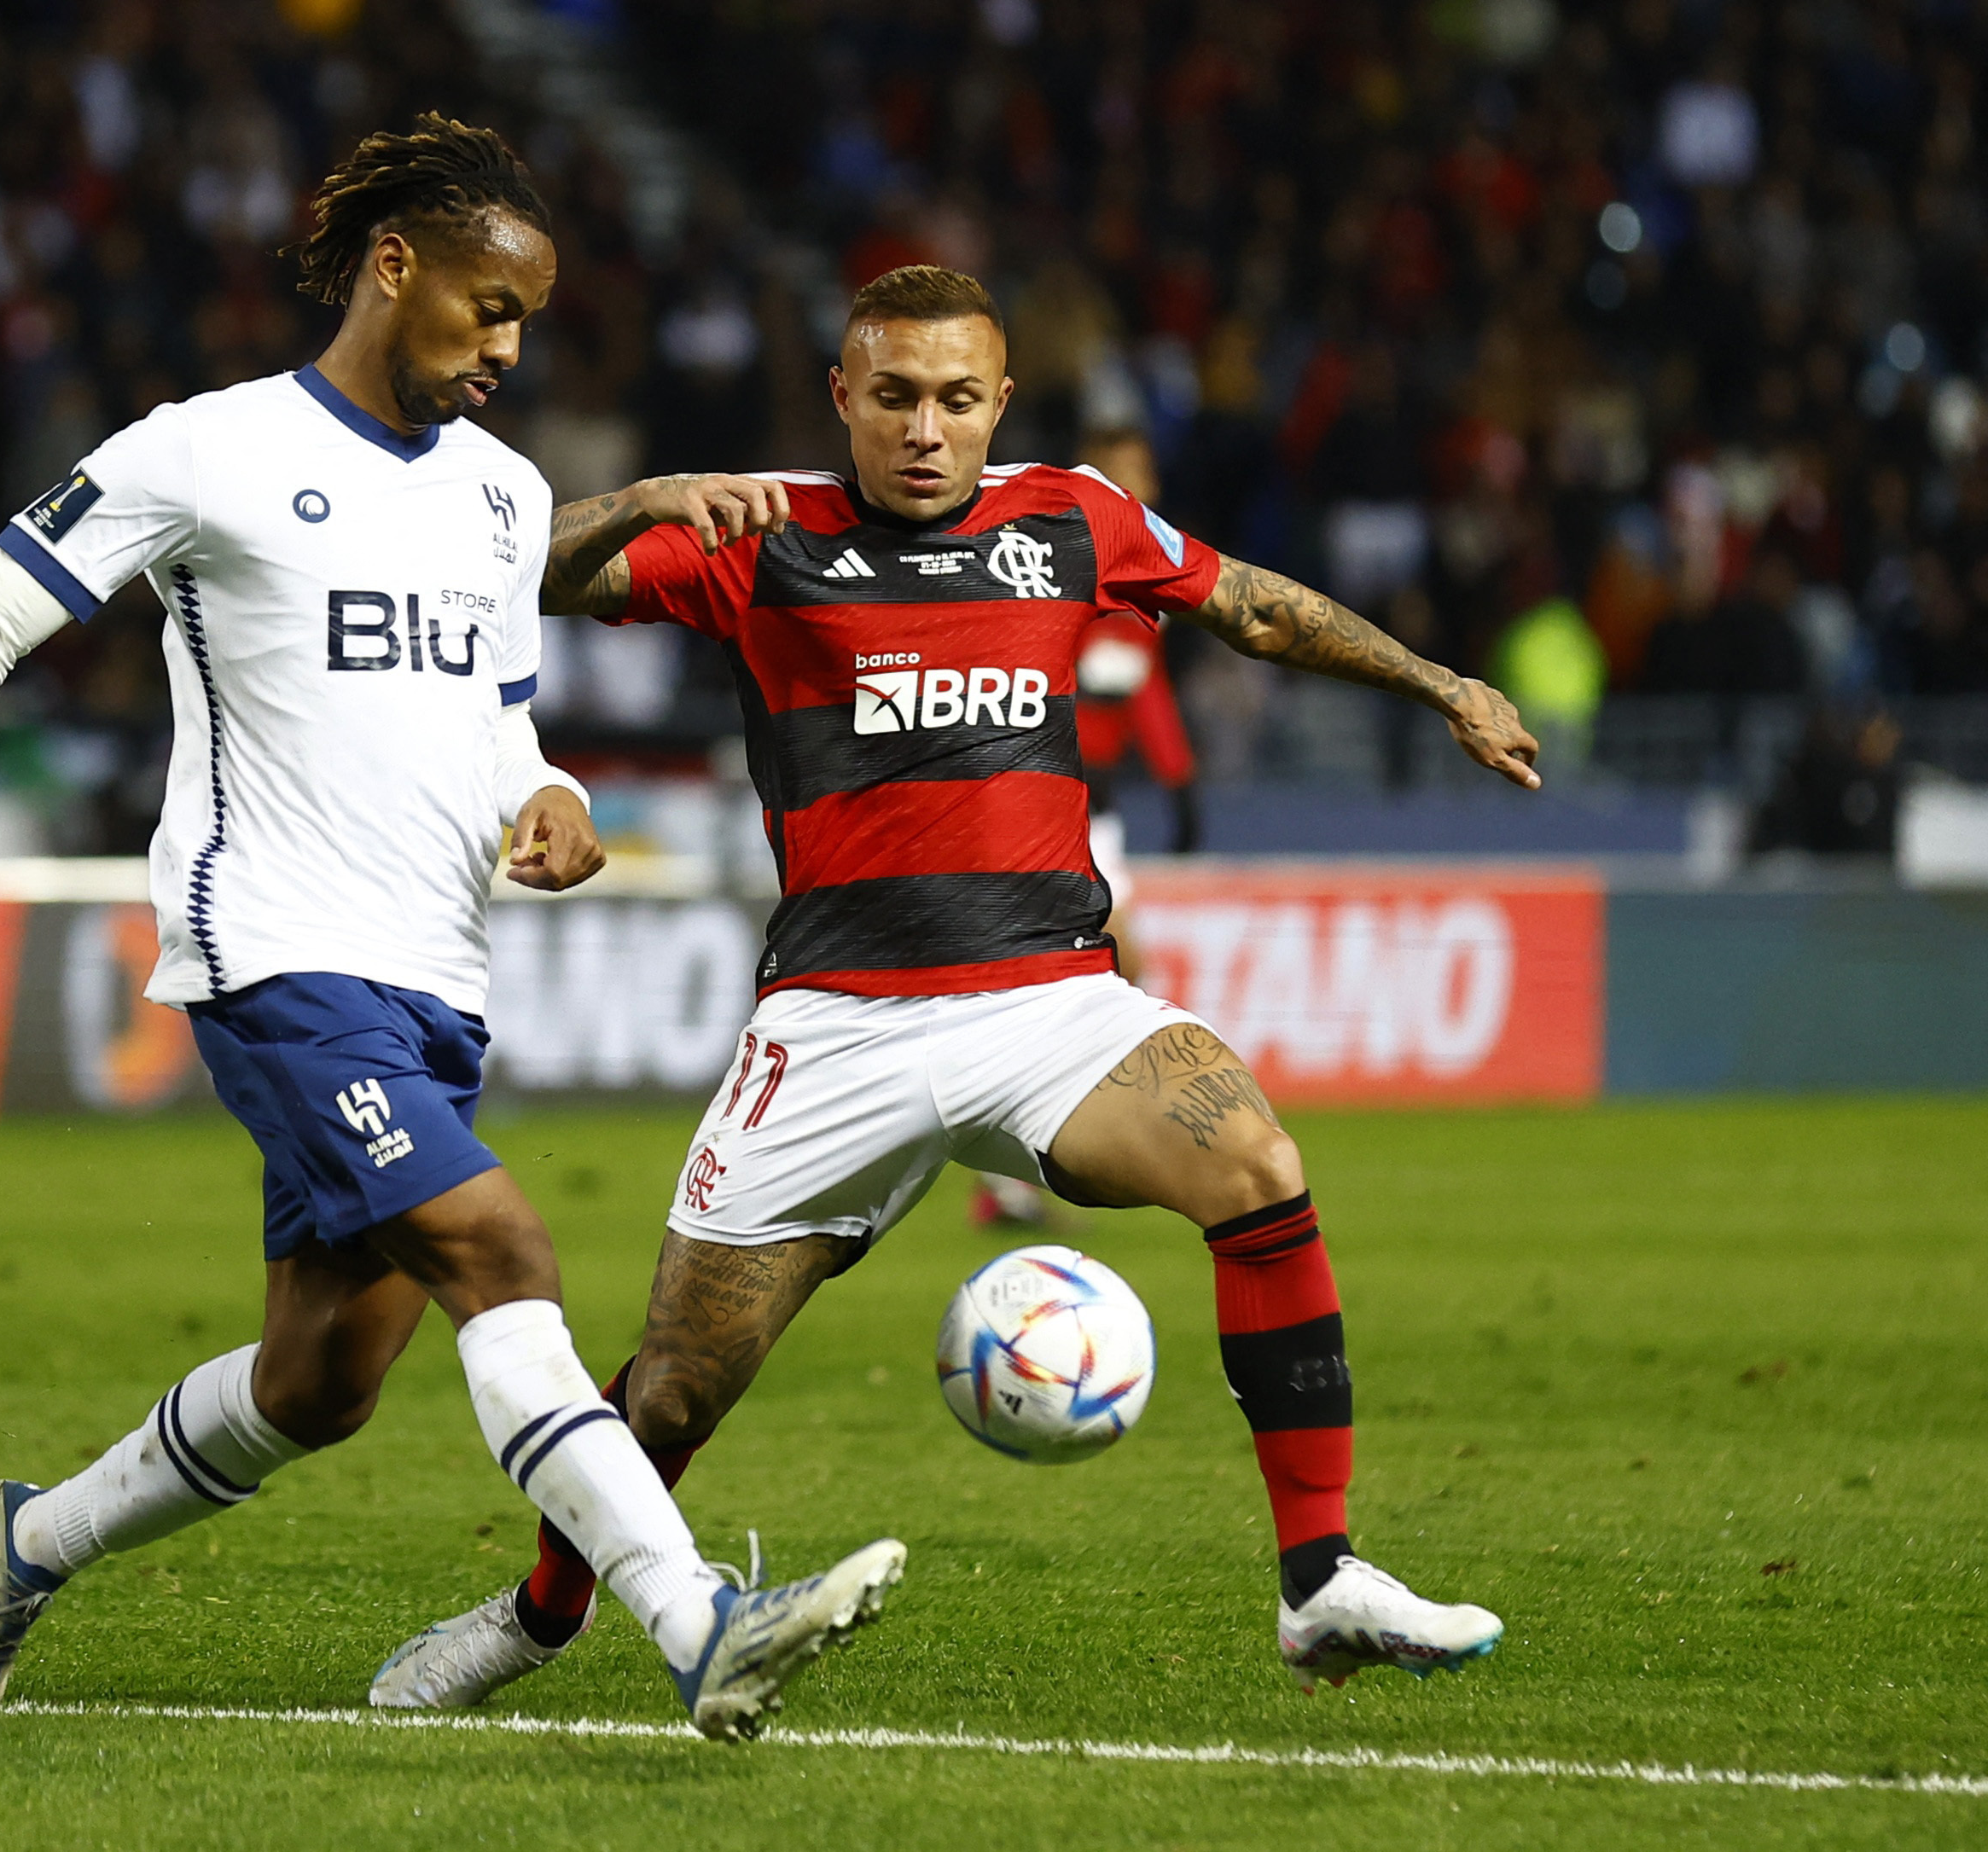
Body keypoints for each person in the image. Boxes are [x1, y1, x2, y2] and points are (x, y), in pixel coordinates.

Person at [0, 116, 904, 1747]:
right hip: (276, 949)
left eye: (527, 318)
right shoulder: (208, 448)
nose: (508, 347)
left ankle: (28, 1542)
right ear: (395, 268)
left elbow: (493, 714)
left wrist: (551, 794)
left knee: (316, 1384)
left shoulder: (502, 497)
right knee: (504, 1254)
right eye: (487, 307)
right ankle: (698, 1622)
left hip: (433, 977)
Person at [370, 266, 1536, 1710]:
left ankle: (1320, 1580)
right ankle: (539, 1619)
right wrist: (649, 498)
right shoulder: (763, 531)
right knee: (672, 1389)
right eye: (898, 397)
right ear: (845, 398)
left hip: (1050, 1004)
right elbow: (503, 579)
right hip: (836, 1029)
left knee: (1256, 1161)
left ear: (998, 405)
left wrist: (1441, 685)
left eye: (959, 400)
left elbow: (1250, 607)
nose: (927, 430)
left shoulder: (1070, 516)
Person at [971, 425, 1202, 1232]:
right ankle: (1031, 1161)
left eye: (1146, 471)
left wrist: (1179, 782)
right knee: (1104, 965)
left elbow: (1144, 689)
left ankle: (1028, 1166)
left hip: (1095, 803)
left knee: (1114, 969)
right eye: (1127, 473)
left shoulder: (1141, 575)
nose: (1141, 488)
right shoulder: (1053, 562)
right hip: (1046, 798)